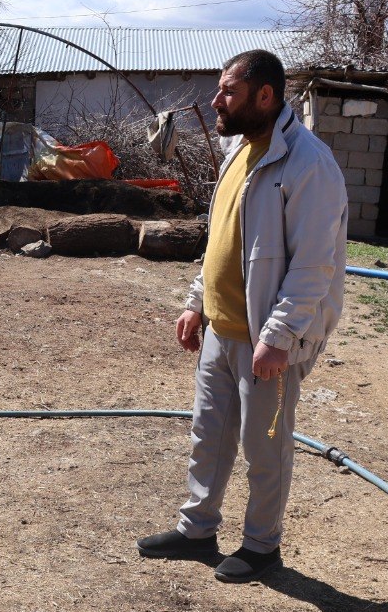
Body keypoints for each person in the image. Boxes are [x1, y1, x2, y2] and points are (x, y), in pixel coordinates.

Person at [137, 49, 347, 583]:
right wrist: (196, 302)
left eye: (227, 91)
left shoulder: (309, 164)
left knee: (264, 446)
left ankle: (261, 546)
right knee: (208, 435)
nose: (215, 101)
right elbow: (221, 242)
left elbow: (313, 264)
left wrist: (278, 336)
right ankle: (197, 529)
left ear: (264, 96)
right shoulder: (238, 151)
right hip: (222, 331)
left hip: (266, 340)